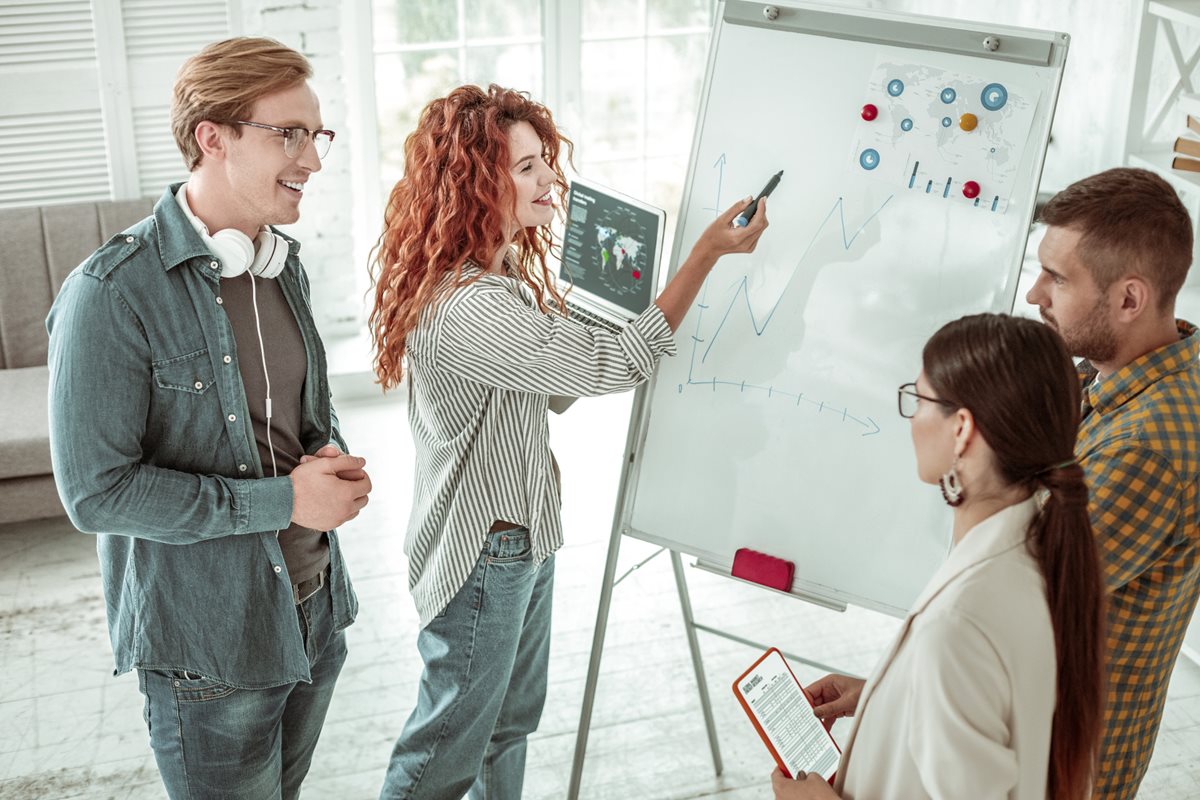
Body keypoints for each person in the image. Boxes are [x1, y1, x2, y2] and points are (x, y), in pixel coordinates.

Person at [368, 83, 767, 799]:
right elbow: (615, 365)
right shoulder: (470, 305)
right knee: (445, 749)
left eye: (544, 162)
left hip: (522, 535)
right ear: (475, 182)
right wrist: (704, 255)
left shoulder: (504, 274)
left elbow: (554, 387)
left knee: (508, 725)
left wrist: (587, 308)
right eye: (526, 168)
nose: (551, 178)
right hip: (483, 547)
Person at [46, 37, 372, 799]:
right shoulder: (111, 294)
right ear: (212, 137)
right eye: (288, 134)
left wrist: (329, 458)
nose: (313, 160)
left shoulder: (278, 264)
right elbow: (96, 494)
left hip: (314, 613)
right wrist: (287, 500)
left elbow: (300, 417)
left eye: (316, 135)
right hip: (210, 649)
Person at [771, 314, 1106, 800]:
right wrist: (888, 696)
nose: (911, 417)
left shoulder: (960, 620)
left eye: (920, 399)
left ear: (962, 429)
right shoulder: (1039, 547)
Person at [1026, 166, 1200, 799]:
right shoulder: (1131, 379)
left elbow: (1004, 596)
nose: (1033, 293)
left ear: (1130, 300)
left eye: (1057, 278)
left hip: (1050, 761)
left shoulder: (1142, 449)